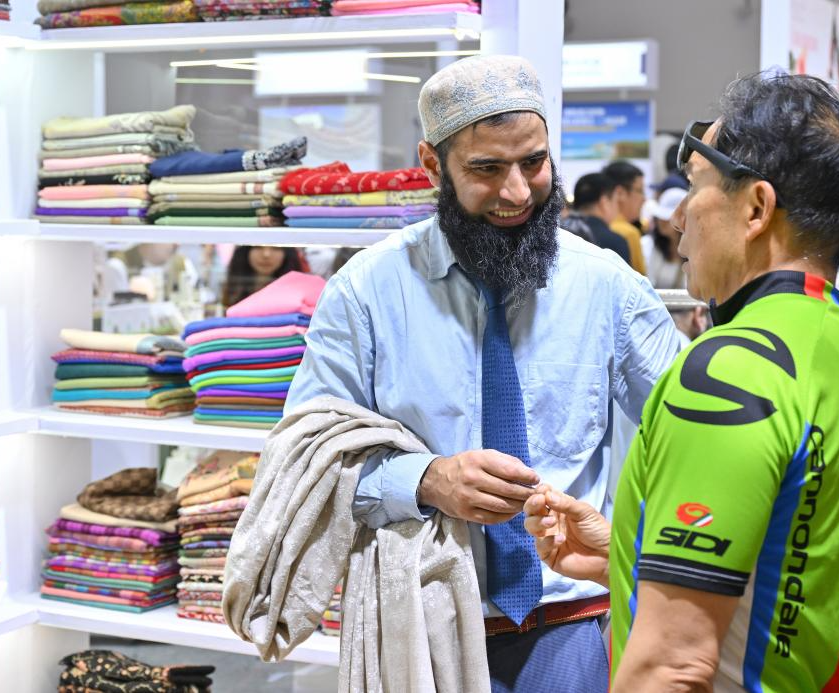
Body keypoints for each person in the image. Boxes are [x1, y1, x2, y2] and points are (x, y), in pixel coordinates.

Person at [284, 54, 681, 692]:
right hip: (419, 630)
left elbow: (688, 432)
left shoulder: (608, 287)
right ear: (432, 164)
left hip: (571, 626)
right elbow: (305, 464)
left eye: (534, 163)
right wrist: (426, 480)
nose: (518, 193)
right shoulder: (367, 294)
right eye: (487, 169)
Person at [525, 72, 839, 692]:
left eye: (694, 186)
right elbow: (796, 573)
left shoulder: (731, 368)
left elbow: (673, 666)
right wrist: (624, 558)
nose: (678, 217)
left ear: (756, 208)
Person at [561, 172, 631, 264]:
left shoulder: (560, 233)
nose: (617, 208)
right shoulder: (615, 242)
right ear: (604, 202)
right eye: (615, 201)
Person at [221, 245, 306, 308]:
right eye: (258, 247)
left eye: (276, 248)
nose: (266, 254)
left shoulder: (298, 295)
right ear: (245, 251)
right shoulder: (231, 291)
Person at [602, 160, 648, 275]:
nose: (644, 199)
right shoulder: (629, 234)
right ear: (620, 193)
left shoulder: (589, 227)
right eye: (640, 190)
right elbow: (640, 283)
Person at [642, 187, 688, 289]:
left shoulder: (695, 253)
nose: (662, 221)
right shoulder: (646, 245)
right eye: (660, 217)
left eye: (667, 218)